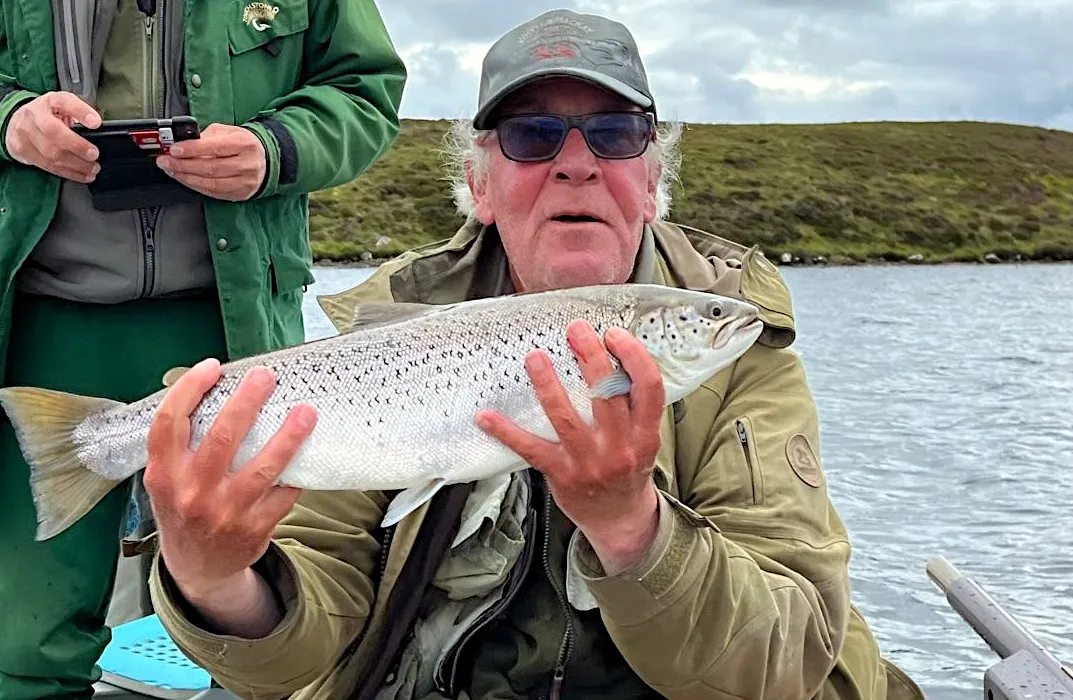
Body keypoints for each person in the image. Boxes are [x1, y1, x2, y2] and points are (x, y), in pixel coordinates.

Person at [142, 8, 925, 700]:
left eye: (615, 135)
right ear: (480, 188)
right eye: (532, 135)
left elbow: (782, 668)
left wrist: (632, 528)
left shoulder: (738, 349)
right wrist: (215, 581)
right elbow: (294, 652)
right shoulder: (394, 335)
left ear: (650, 184)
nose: (575, 162)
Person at [0, 0, 405, 697]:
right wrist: (1, 117)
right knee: (22, 643)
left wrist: (277, 149)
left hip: (232, 332)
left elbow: (364, 90)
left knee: (258, 626)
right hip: (27, 327)